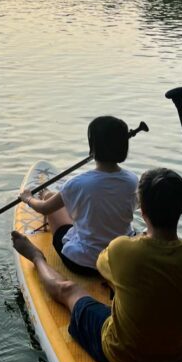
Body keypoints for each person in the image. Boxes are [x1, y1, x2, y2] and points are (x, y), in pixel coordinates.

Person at [12, 167, 182, 362]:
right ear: (181, 209)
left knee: (69, 290)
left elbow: (101, 266)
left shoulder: (123, 249)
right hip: (175, 360)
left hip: (121, 356)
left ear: (143, 210)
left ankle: (36, 257)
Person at [19, 116, 138, 276]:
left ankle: (46, 196)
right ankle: (50, 195)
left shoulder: (78, 183)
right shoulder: (133, 180)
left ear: (93, 146)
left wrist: (27, 198)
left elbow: (44, 209)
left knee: (49, 199)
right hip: (119, 261)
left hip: (85, 263)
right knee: (68, 201)